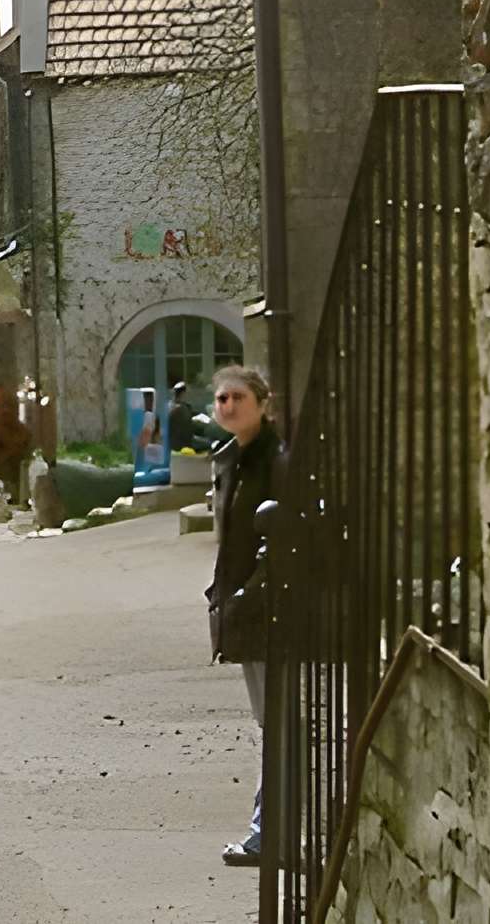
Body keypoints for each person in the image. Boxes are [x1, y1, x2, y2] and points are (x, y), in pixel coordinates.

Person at [206, 363, 280, 867]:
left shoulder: (276, 459)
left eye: (238, 398)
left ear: (262, 402)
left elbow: (282, 538)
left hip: (271, 610)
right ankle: (269, 829)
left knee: (279, 724)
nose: (228, 406)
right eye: (222, 399)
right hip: (244, 609)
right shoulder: (230, 459)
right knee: (271, 723)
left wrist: (251, 592)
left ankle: (267, 833)